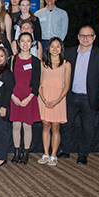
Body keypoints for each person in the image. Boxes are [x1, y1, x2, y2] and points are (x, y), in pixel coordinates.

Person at [59, 25, 99, 165]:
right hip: (71, 95)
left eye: (89, 36)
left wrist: (96, 86)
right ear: (78, 37)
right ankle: (65, 150)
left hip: (89, 97)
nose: (85, 38)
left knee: (88, 127)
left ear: (94, 37)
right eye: (83, 35)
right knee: (66, 125)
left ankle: (83, 154)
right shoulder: (69, 52)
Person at [37, 37, 71, 166]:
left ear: (61, 48)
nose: (55, 49)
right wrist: (44, 99)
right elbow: (39, 84)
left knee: (56, 127)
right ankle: (46, 153)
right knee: (45, 126)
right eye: (52, 46)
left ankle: (54, 155)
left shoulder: (66, 64)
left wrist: (56, 101)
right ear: (48, 48)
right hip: (44, 98)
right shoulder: (42, 63)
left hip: (59, 99)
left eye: (58, 46)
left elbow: (67, 86)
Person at [9, 32, 41, 165]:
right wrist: (12, 95)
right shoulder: (12, 59)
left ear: (32, 43)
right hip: (15, 96)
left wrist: (29, 98)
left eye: (28, 41)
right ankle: (16, 152)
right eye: (22, 41)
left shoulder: (35, 61)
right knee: (16, 126)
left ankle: (26, 152)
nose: (25, 44)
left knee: (27, 126)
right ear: (18, 43)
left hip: (29, 97)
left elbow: (37, 82)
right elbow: (9, 80)